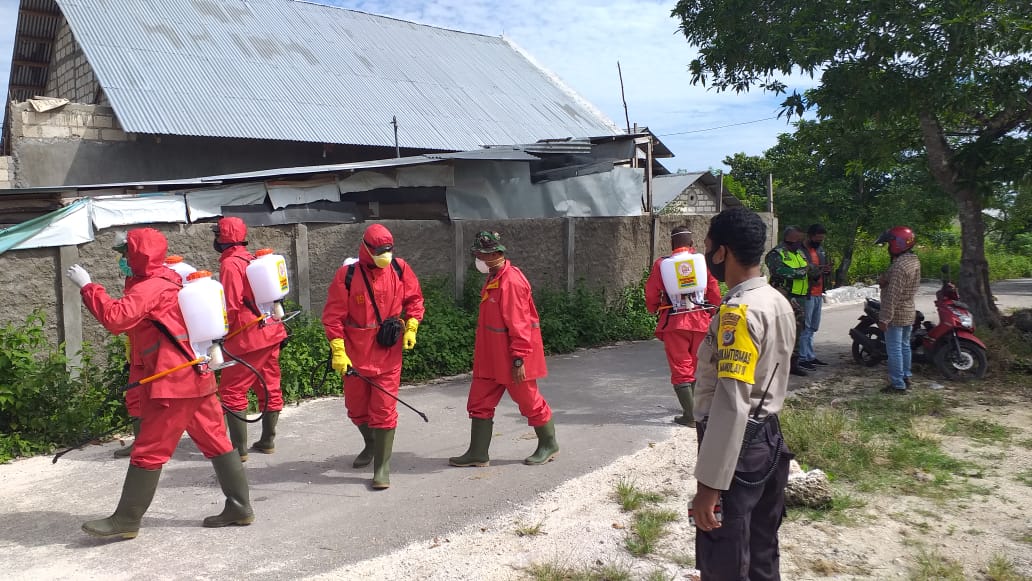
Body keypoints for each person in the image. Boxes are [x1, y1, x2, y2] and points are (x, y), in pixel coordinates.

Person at [66, 227, 253, 540]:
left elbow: (116, 318)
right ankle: (241, 507)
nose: (123, 260)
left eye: (126, 254)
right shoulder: (169, 277)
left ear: (139, 254)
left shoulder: (151, 286)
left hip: (173, 382)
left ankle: (126, 519)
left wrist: (88, 287)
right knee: (217, 442)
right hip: (196, 374)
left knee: (149, 450)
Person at [691, 207, 795, 580]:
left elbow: (731, 404)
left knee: (725, 556)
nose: (707, 256)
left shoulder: (738, 313)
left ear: (724, 252)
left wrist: (709, 486)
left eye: (708, 248)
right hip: (769, 437)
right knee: (763, 548)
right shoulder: (776, 300)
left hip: (738, 446)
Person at [321, 224, 425, 489]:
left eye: (388, 250)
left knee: (383, 410)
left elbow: (415, 300)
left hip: (388, 351)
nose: (385, 255)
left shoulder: (400, 269)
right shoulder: (347, 275)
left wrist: (411, 327)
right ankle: (370, 443)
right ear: (365, 248)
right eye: (379, 251)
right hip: (355, 354)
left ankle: (382, 467)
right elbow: (333, 317)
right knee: (356, 409)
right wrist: (338, 350)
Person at [449, 231, 559, 467]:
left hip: (512, 358)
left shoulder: (511, 282)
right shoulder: (495, 277)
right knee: (479, 402)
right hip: (490, 358)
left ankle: (548, 444)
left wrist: (519, 359)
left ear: (493, 255)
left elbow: (520, 324)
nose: (476, 259)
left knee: (529, 402)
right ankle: (478, 453)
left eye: (479, 255)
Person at [213, 217, 289, 460]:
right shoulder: (253, 259)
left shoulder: (230, 264)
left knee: (232, 390)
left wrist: (219, 333)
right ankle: (267, 440)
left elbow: (233, 306)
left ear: (222, 238)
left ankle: (239, 450)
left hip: (248, 337)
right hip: (272, 330)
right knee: (269, 384)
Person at [645, 226, 722, 427]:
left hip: (675, 323)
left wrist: (653, 308)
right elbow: (712, 287)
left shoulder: (662, 264)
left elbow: (652, 292)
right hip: (700, 320)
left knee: (681, 369)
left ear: (672, 244)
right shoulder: (702, 261)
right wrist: (713, 311)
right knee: (698, 367)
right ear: (691, 244)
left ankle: (690, 416)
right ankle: (700, 411)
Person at [875, 226, 921, 393]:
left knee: (894, 350)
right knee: (904, 346)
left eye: (889, 243)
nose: (888, 247)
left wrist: (884, 319)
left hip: (897, 313)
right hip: (909, 310)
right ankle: (906, 377)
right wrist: (885, 279)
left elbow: (892, 296)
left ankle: (898, 384)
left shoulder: (899, 267)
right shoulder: (912, 260)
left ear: (897, 244)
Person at [764, 226, 812, 376]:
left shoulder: (799, 253)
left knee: (797, 331)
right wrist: (806, 270)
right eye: (799, 241)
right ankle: (774, 364)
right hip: (784, 297)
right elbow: (782, 272)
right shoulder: (776, 254)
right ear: (790, 240)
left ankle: (793, 364)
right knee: (780, 331)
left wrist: (816, 271)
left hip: (800, 298)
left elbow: (807, 270)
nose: (801, 244)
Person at [799, 224, 833, 368]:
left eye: (821, 239)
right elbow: (804, 271)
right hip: (807, 294)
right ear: (810, 236)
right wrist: (818, 270)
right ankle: (802, 357)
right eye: (818, 239)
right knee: (805, 327)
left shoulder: (820, 251)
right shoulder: (800, 251)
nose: (820, 241)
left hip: (818, 292)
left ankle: (810, 355)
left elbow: (821, 270)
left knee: (813, 327)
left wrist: (826, 270)